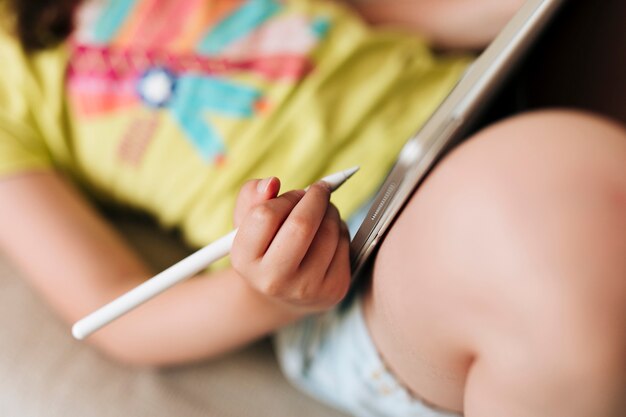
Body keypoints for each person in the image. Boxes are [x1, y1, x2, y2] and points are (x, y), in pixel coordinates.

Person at [0, 1, 625, 417]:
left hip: (475, 111)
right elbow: (115, 313)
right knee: (546, 223)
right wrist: (266, 293)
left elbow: (409, 13)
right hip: (339, 279)